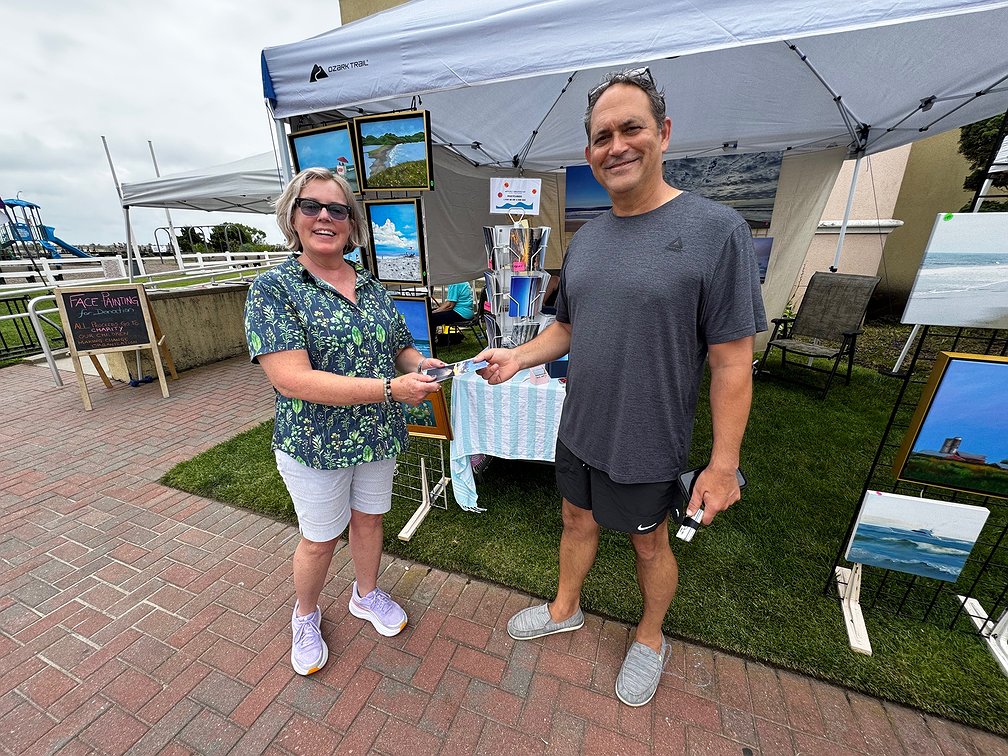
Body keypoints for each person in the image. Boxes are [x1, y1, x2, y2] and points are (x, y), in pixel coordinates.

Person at [474, 68, 766, 707]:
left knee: (648, 541)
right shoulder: (588, 239)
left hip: (648, 438)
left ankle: (651, 639)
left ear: (664, 133)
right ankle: (564, 609)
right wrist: (518, 356)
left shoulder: (718, 231)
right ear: (589, 153)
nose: (617, 146)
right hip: (580, 425)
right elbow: (568, 327)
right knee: (574, 517)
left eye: (631, 128)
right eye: (602, 136)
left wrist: (723, 465)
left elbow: (732, 363)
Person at [244, 167, 444, 676]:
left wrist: (420, 365)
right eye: (311, 206)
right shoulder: (274, 289)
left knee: (370, 519)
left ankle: (365, 593)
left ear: (352, 224)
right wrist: (389, 389)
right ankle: (305, 615)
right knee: (319, 538)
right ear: (292, 217)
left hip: (376, 434)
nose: (325, 217)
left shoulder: (370, 285)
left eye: (338, 210)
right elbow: (292, 380)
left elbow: (399, 346)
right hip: (316, 443)